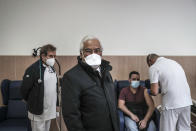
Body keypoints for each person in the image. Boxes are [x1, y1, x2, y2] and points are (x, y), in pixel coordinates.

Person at [61, 35, 119, 131]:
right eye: (88, 51)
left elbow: (112, 104)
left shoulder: (106, 72)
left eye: (97, 50)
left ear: (101, 52)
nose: (93, 54)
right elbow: (71, 116)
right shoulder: (71, 77)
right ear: (81, 53)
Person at [146, 53, 192, 131]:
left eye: (148, 65)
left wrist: (146, 91)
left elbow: (155, 92)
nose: (149, 67)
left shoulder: (153, 67)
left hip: (171, 104)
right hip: (186, 102)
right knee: (185, 129)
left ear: (150, 61)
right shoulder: (174, 62)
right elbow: (171, 83)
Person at [21, 44, 59, 131]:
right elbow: (24, 89)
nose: (53, 58)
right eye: (51, 56)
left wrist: (56, 105)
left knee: (47, 129)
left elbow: (55, 89)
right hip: (38, 109)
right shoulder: (32, 69)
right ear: (43, 56)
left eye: (54, 56)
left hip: (49, 110)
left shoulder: (52, 69)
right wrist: (31, 101)